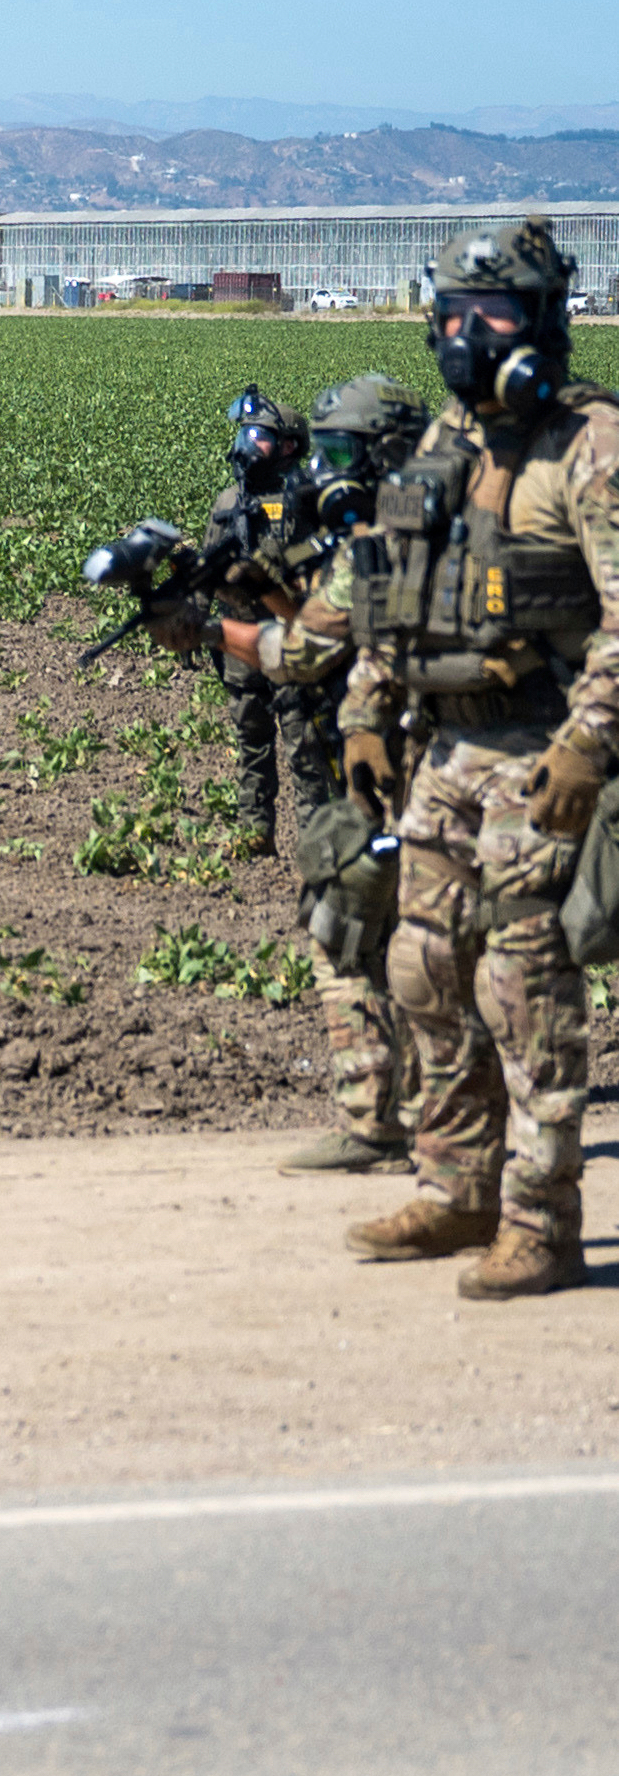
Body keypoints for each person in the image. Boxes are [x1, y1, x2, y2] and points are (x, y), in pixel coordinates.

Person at [332, 220, 617, 1299]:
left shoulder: (590, 445)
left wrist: (589, 741)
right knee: (424, 967)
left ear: (543, 323)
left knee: (523, 989)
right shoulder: (445, 440)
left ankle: (540, 1223)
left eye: (491, 316)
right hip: (444, 751)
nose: (467, 335)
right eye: (451, 315)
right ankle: (456, 1189)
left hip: (542, 748)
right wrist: (365, 711)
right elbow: (390, 599)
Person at [197, 375, 428, 1175]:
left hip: (438, 775)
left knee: (394, 941)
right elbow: (307, 636)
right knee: (391, 940)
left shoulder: (396, 543)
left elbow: (300, 651)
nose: (324, 471)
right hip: (406, 770)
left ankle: (420, 1135)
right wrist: (252, 598)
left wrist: (210, 625)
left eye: (339, 454)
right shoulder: (414, 533)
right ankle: (415, 1131)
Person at [207, 385, 312, 852]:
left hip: (293, 639)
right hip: (241, 638)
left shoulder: (307, 501)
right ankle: (255, 831)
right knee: (251, 739)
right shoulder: (228, 502)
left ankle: (317, 841)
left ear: (289, 446)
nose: (249, 445)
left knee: (305, 746)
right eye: (246, 434)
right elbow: (210, 565)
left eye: (261, 436)